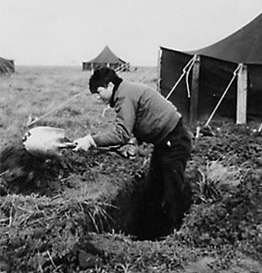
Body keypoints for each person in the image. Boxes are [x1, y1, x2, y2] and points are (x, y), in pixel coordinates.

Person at [74, 66, 192, 235]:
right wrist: (135, 141)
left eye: (98, 92)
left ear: (109, 86)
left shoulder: (124, 95)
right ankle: (151, 232)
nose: (97, 97)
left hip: (174, 141)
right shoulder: (125, 90)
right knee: (154, 189)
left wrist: (91, 140)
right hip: (164, 142)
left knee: (171, 190)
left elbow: (121, 133)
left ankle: (175, 235)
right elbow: (142, 118)